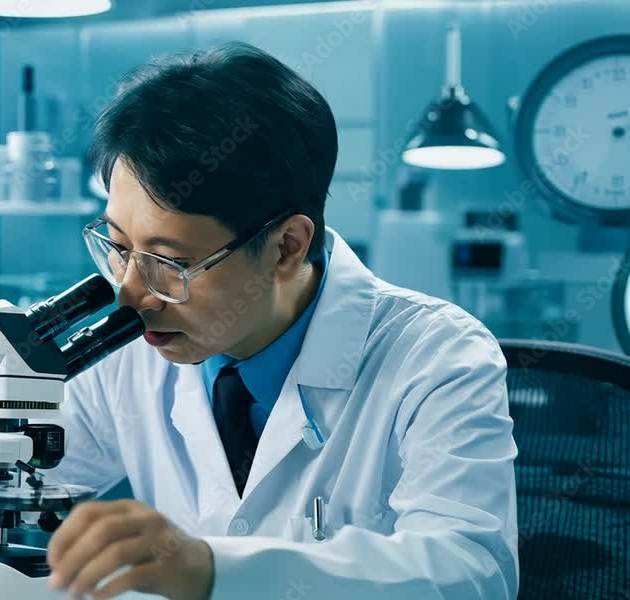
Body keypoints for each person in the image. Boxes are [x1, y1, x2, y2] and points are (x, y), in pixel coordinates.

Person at [40, 41, 519, 600]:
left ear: (287, 246)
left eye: (169, 263)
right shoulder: (131, 352)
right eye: (119, 248)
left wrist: (213, 570)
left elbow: (468, 573)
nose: (130, 296)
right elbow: (14, 481)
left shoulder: (436, 356)